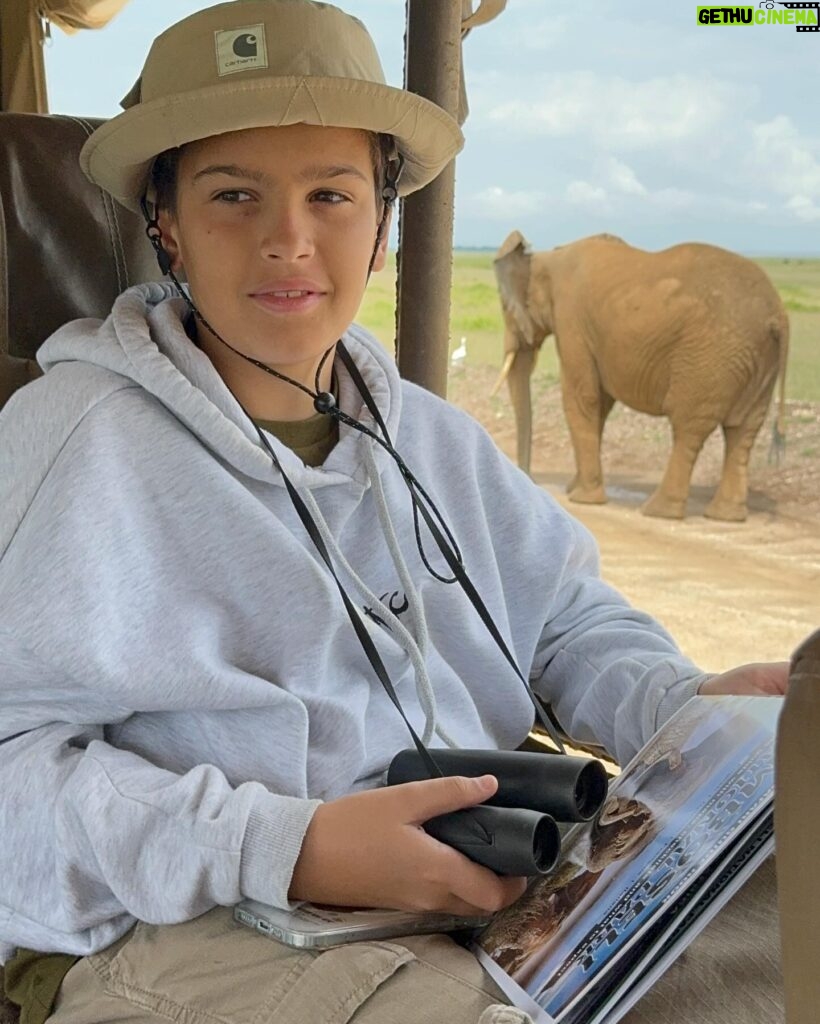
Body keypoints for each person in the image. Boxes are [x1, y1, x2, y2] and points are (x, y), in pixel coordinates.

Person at [0, 2, 787, 1022]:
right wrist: (296, 844)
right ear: (166, 225)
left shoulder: (429, 436)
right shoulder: (70, 440)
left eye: (329, 195)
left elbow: (566, 623)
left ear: (381, 222)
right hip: (197, 919)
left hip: (496, 877)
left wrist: (689, 716)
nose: (288, 240)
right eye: (233, 195)